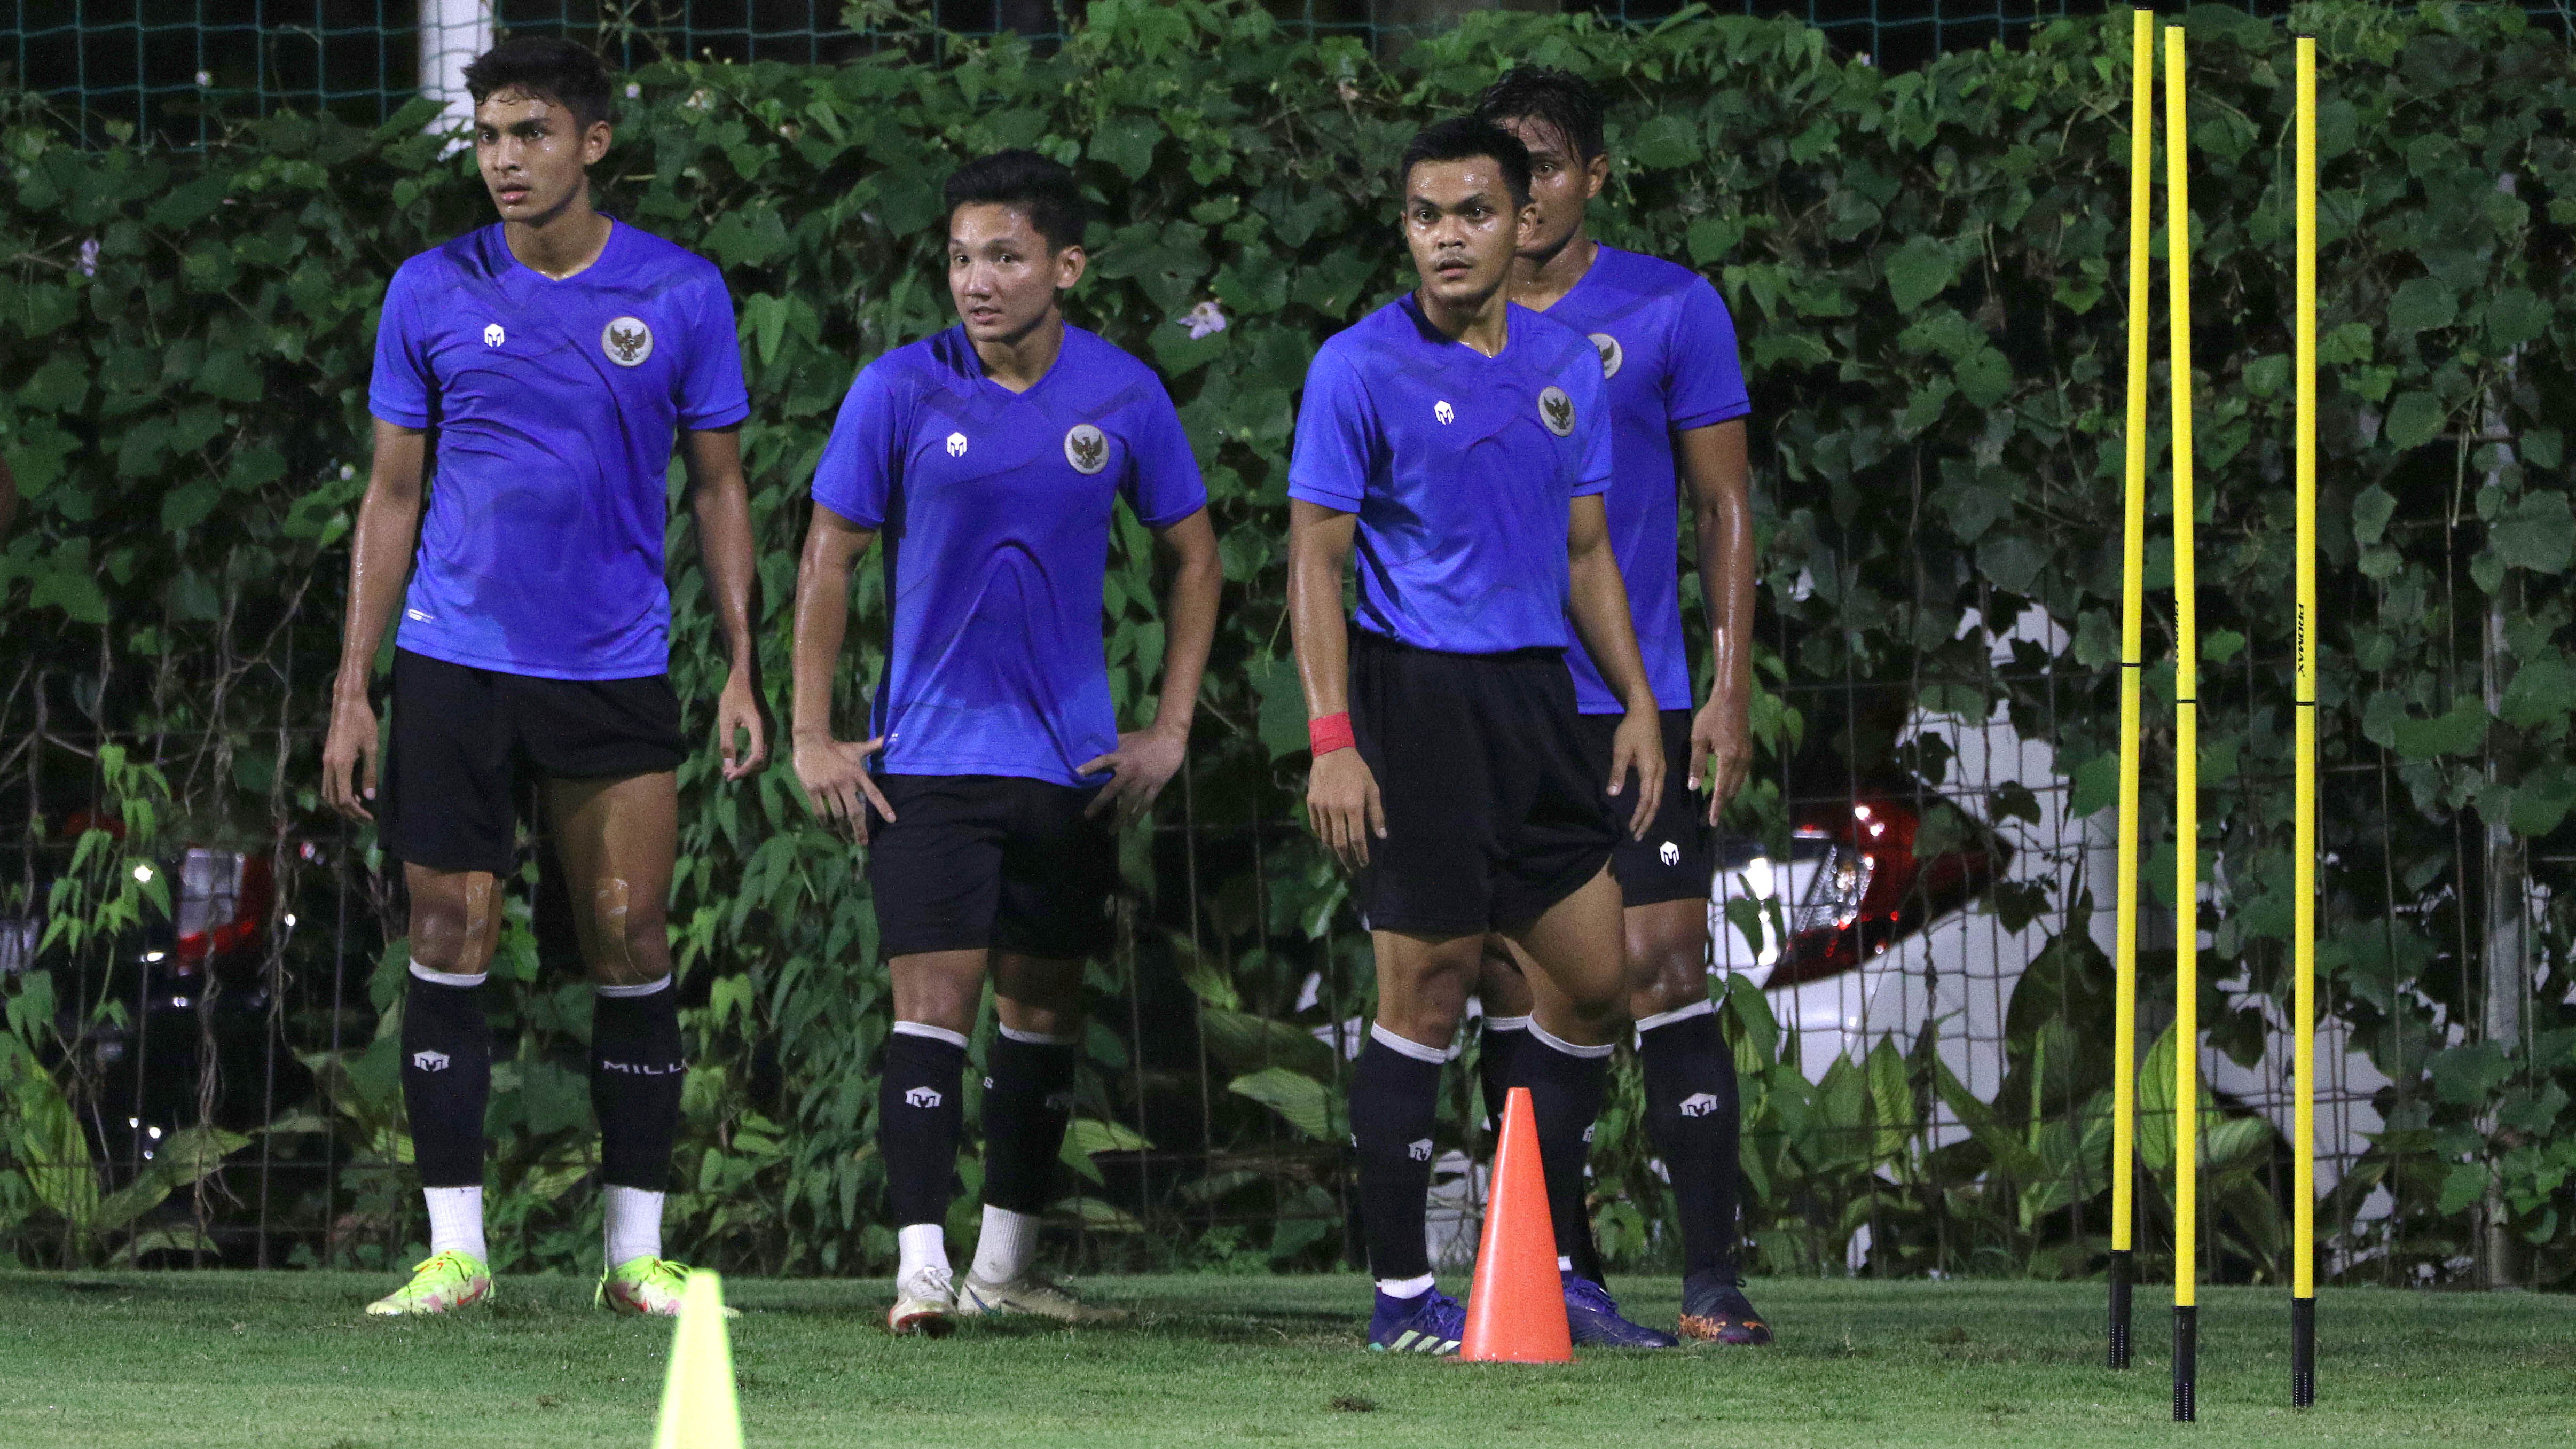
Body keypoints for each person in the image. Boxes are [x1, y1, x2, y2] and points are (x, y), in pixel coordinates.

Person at [320, 37, 763, 1319]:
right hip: (454, 664)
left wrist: (741, 668)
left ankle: (634, 1260)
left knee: (630, 935)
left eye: (531, 134)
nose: (505, 160)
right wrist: (355, 684)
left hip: (614, 666)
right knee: (448, 932)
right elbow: (392, 492)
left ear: (595, 142)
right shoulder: (430, 287)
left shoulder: (679, 293)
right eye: (491, 136)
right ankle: (456, 1254)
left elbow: (720, 483)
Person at [790, 150, 1222, 1337]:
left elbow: (1197, 554)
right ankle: (921, 1269)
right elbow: (830, 553)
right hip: (927, 758)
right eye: (961, 258)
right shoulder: (899, 388)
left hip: (1071, 766)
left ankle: (1005, 1267)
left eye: (1005, 256)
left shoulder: (1124, 395)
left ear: (1065, 266)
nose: (976, 281)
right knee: (932, 1007)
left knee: (1041, 1020)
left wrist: (1169, 728)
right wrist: (813, 731)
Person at [1288, 116, 1670, 1354]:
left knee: (1592, 981)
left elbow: (1587, 550)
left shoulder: (1569, 364)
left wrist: (1642, 702)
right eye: (1425, 215)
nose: (1448, 238)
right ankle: (1403, 1300)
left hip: (1538, 704)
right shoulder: (1358, 366)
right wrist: (1334, 736)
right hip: (1417, 702)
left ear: (1526, 222)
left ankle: (1545, 1268)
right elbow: (1316, 558)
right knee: (1428, 991)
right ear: (1406, 227)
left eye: (1473, 213)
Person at [1473, 66, 1768, 1346]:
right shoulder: (1437, 325)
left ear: (1593, 175)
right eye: (1504, 166)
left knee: (1664, 962)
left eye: (1546, 163)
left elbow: (1725, 508)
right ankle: (1561, 1272)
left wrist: (1728, 682)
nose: (1524, 191)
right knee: (1523, 979)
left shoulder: (1668, 308)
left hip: (1637, 703)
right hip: (1493, 704)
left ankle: (1713, 1280)